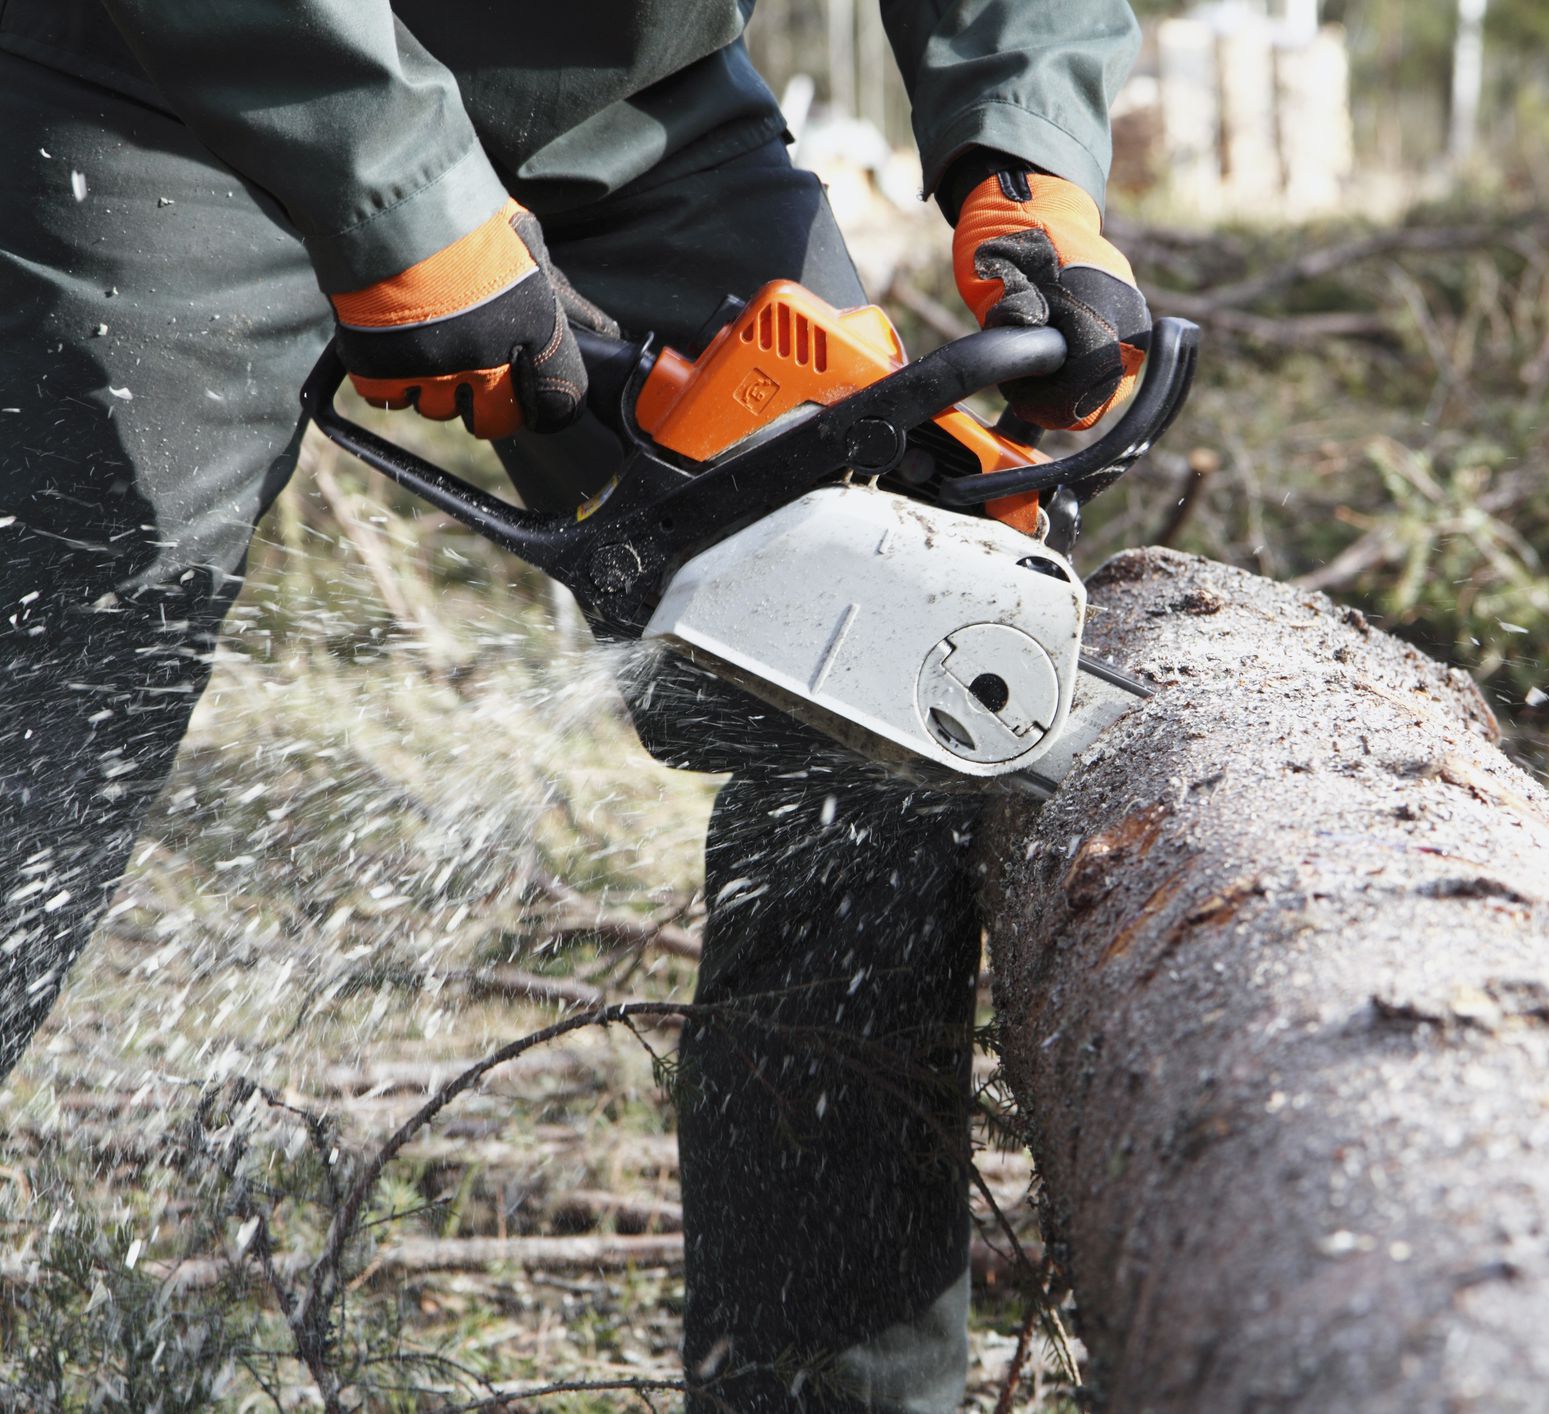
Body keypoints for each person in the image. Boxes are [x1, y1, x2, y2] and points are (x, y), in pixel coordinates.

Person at [0, 3, 1149, 1407]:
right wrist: (393, 178)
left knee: (888, 693)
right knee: (35, 748)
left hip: (628, 96)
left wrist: (1024, 147)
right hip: (158, 79)